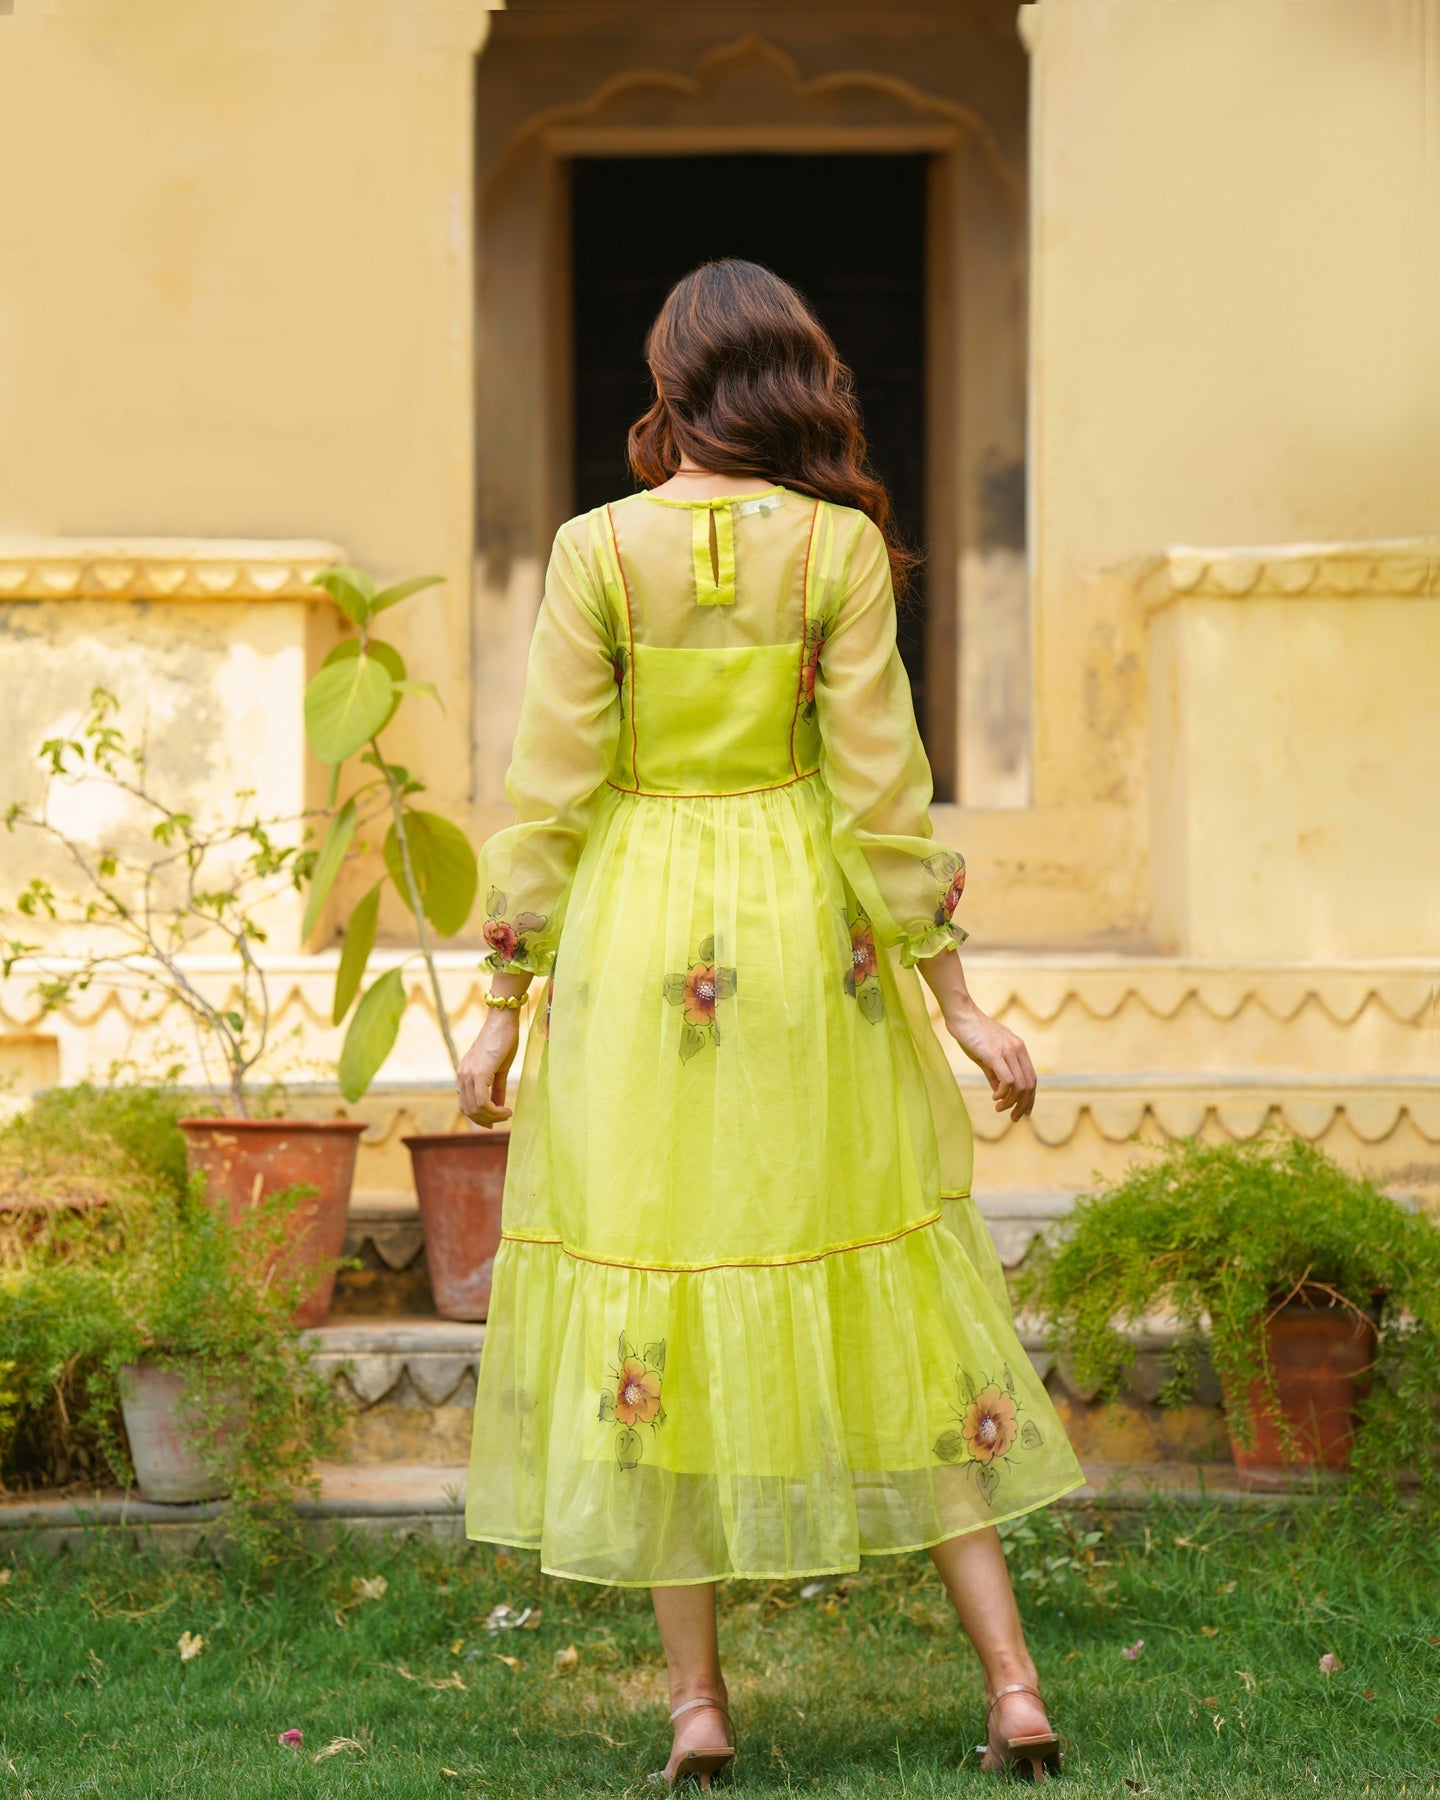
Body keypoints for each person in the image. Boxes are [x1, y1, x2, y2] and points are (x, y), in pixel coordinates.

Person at [456, 258, 1084, 1789]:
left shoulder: (596, 551)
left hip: (640, 933)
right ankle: (1010, 1686)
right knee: (886, 1279)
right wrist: (960, 1006)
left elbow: (551, 798)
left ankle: (697, 1710)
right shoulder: (842, 553)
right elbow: (883, 790)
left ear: (673, 383)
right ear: (790, 380)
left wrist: (497, 1011)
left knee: (656, 1289)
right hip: (812, 943)